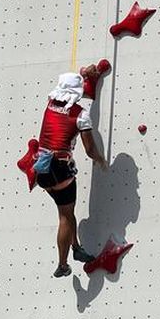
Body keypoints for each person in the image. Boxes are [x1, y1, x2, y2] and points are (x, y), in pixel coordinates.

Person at [34, 65, 106, 277]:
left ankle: (75, 247)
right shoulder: (80, 115)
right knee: (65, 217)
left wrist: (83, 76)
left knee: (66, 211)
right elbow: (90, 149)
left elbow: (67, 93)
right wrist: (101, 160)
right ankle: (62, 264)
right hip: (60, 168)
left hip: (42, 168)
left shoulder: (50, 104)